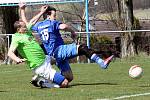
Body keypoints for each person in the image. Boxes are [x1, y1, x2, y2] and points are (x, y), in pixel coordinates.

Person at [30, 6, 114, 83]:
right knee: (83, 48)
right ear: (48, 15)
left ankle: (43, 81)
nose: (55, 18)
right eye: (54, 15)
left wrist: (40, 13)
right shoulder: (52, 22)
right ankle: (102, 63)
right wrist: (72, 32)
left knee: (68, 78)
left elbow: (30, 24)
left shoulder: (38, 25)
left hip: (53, 55)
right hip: (59, 50)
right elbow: (64, 27)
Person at [7, 4, 69, 88]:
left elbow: (32, 21)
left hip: (45, 58)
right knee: (65, 83)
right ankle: (43, 83)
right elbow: (10, 53)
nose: (26, 27)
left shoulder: (26, 32)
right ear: (19, 29)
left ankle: (43, 77)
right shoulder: (16, 38)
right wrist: (17, 59)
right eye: (24, 27)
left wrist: (41, 12)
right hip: (40, 66)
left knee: (58, 58)